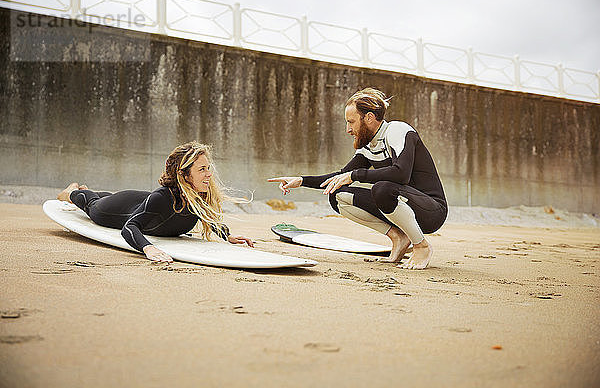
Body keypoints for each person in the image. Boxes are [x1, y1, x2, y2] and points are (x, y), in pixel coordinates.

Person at [268, 88, 447, 270]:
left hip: (431, 210)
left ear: (368, 118)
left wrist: (356, 175)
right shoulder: (368, 146)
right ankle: (399, 237)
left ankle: (421, 245)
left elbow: (401, 174)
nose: (348, 129)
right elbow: (341, 176)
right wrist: (301, 180)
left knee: (383, 189)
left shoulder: (397, 130)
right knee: (337, 194)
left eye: (351, 122)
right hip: (401, 205)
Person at [57, 141, 254, 263]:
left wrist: (227, 236)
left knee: (108, 196)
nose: (209, 174)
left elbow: (208, 218)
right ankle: (72, 192)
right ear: (184, 175)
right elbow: (129, 227)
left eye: (208, 168)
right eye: (202, 169)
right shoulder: (162, 198)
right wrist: (148, 248)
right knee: (93, 205)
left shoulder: (198, 197)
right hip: (117, 209)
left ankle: (94, 193)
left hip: (137, 200)